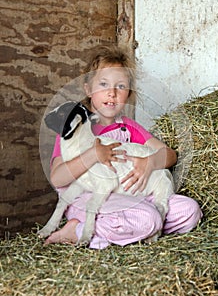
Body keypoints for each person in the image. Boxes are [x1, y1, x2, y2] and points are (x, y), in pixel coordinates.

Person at [45, 45, 202, 249]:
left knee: (190, 211)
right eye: (103, 84)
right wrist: (93, 154)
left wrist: (149, 162)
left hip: (130, 195)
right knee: (149, 218)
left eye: (120, 86)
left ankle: (123, 229)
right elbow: (58, 178)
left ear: (128, 94)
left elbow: (169, 155)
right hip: (89, 198)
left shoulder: (127, 127)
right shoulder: (73, 126)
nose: (111, 93)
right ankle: (76, 229)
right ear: (88, 89)